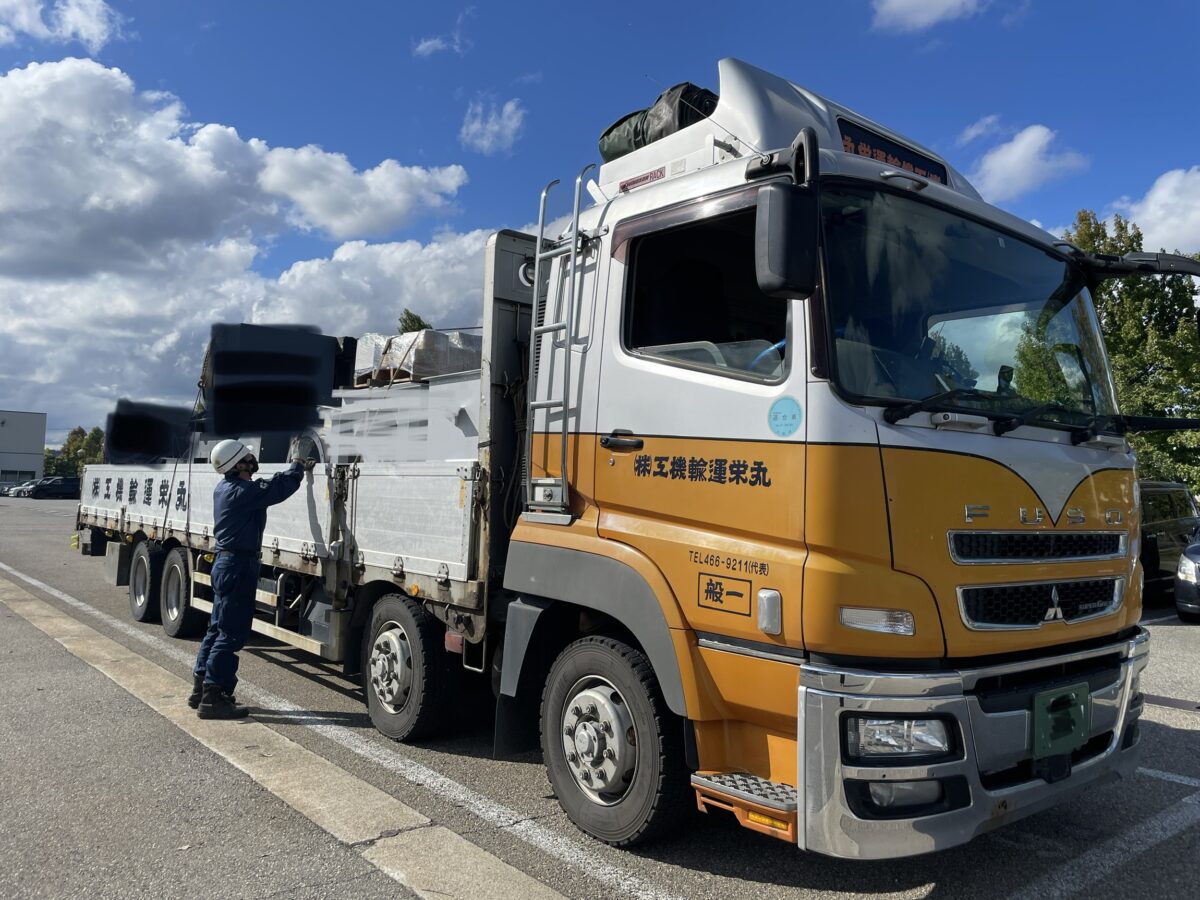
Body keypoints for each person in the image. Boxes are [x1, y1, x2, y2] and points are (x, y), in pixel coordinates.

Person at [189, 439, 315, 719]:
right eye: (247, 456)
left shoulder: (226, 488)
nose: (252, 458)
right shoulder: (240, 492)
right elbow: (276, 488)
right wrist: (297, 465)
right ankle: (215, 696)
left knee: (217, 628)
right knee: (231, 633)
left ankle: (201, 688)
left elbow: (265, 487)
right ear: (238, 464)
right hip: (238, 564)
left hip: (227, 562)